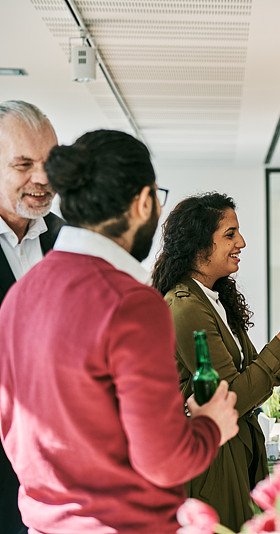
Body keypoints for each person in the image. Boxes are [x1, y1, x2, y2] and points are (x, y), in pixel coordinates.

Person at [0, 130, 240, 534]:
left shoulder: (20, 293)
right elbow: (163, 461)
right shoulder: (130, 302)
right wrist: (210, 425)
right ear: (145, 201)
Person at [151, 192, 280, 530]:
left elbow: (252, 373)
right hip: (214, 463)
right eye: (230, 234)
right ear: (199, 244)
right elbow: (232, 398)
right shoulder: (185, 307)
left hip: (237, 452)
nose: (241, 242)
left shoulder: (213, 297)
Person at [0, 99, 64, 534]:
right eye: (24, 164)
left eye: (51, 163)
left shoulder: (70, 240)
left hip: (64, 482)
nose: (42, 179)